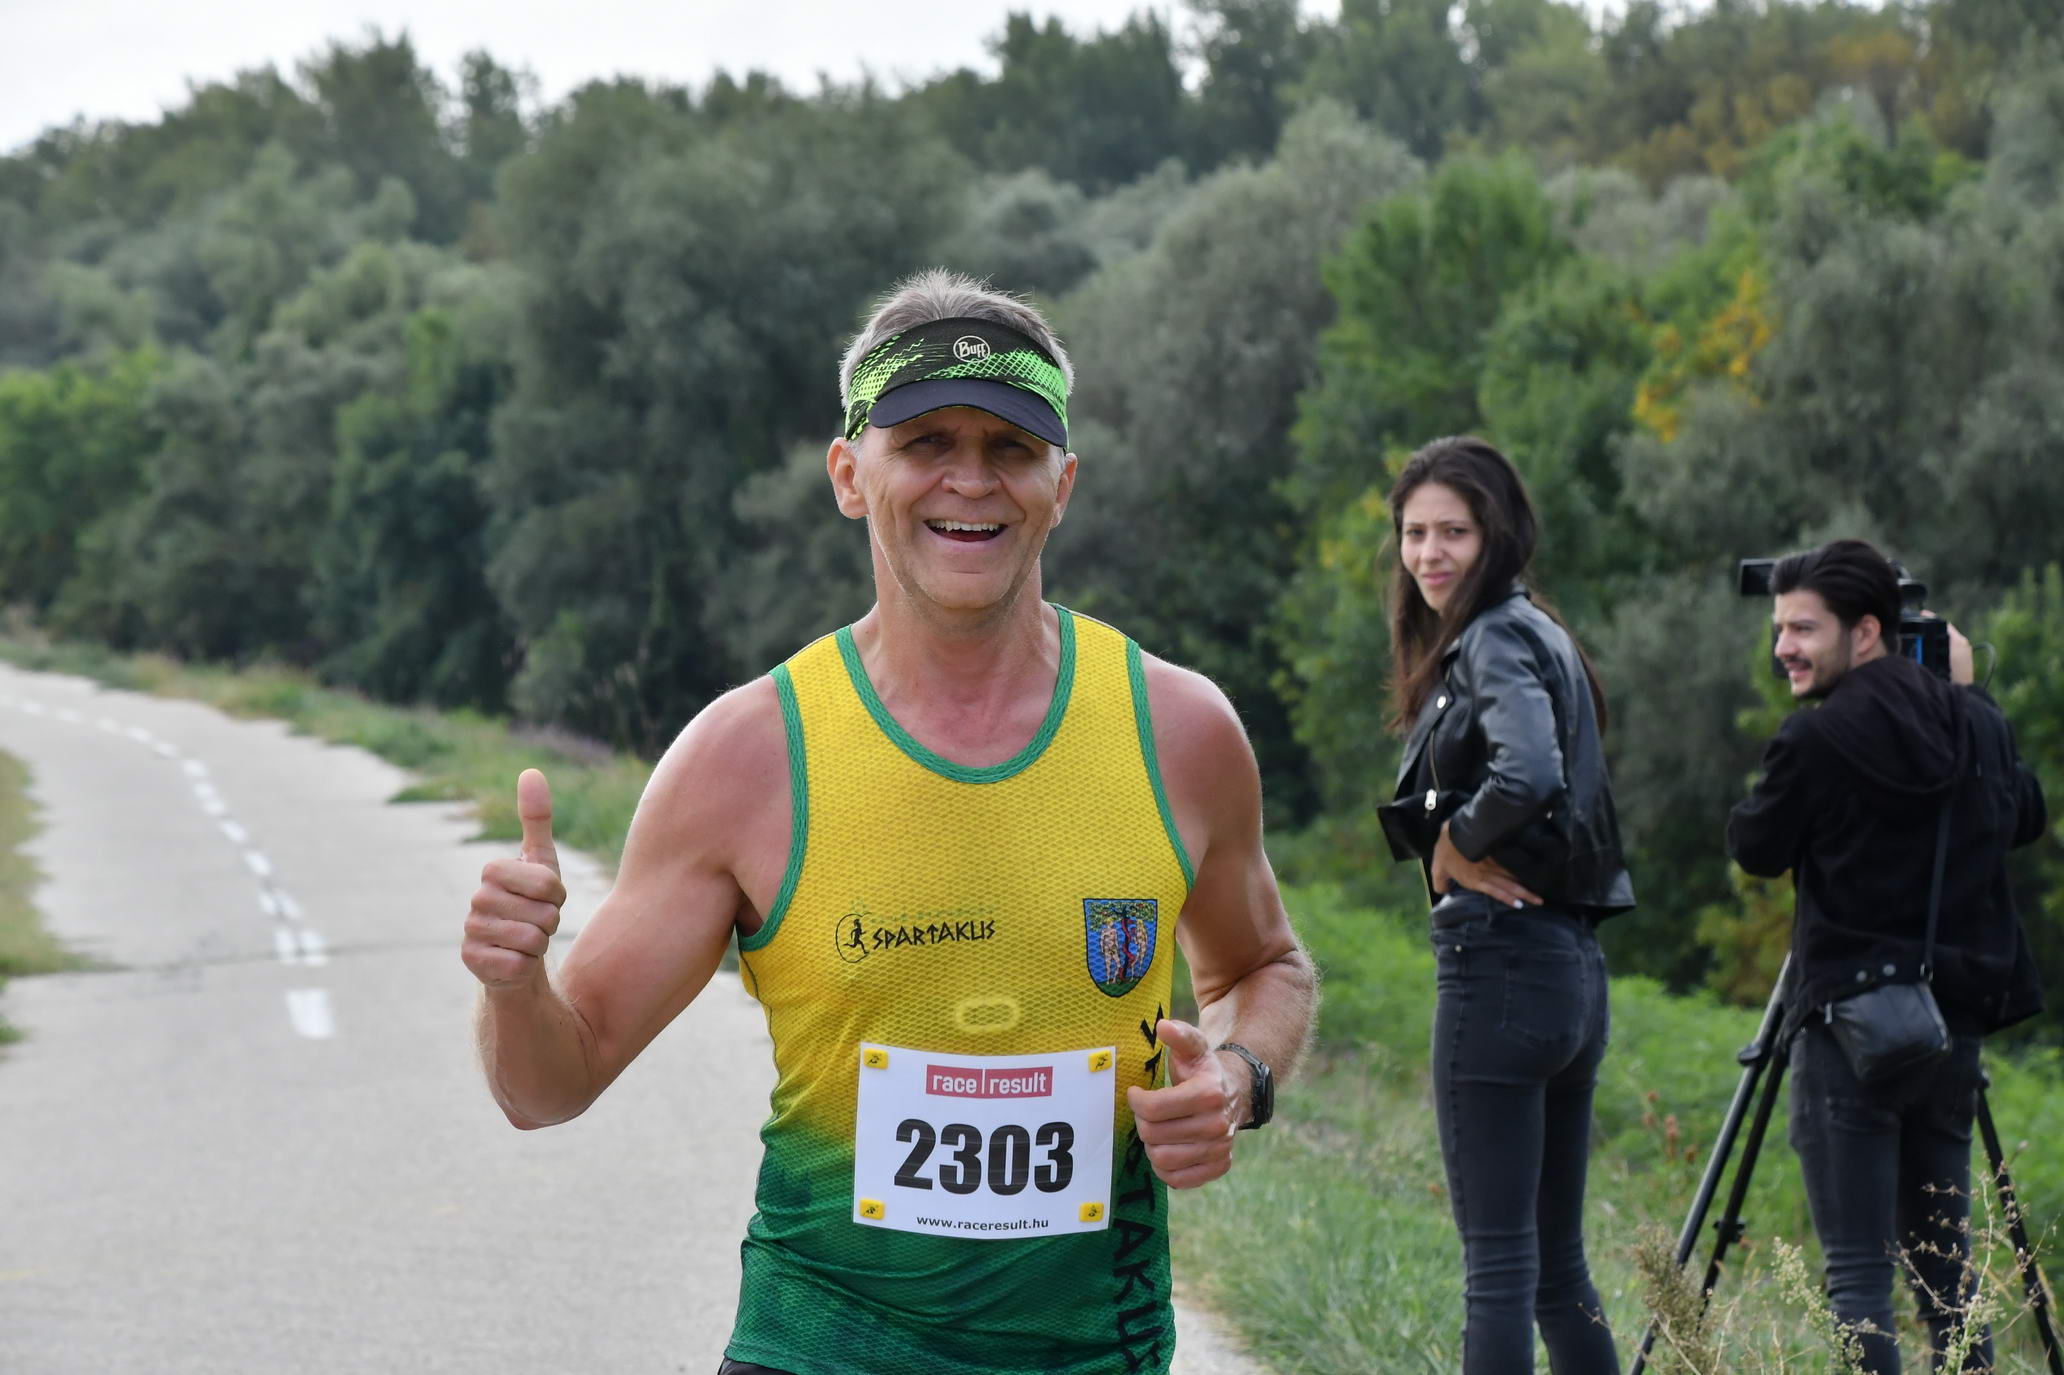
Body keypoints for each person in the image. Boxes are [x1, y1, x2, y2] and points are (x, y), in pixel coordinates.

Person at [461, 268, 1316, 1375]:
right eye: (925, 443)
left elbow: (1265, 965)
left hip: (1093, 1355)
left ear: (1062, 484)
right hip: (816, 1346)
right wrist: (513, 984)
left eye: (1011, 447)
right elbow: (550, 1083)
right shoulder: (746, 759)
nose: (972, 480)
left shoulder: (1180, 731)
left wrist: (1237, 1079)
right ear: (849, 475)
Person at [1728, 539, 2047, 1374]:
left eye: (1803, 628)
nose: (1783, 647)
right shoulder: (1974, 722)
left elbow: (1754, 845)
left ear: (1866, 631)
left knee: (1858, 1274)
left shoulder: (1817, 737)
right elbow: (2025, 816)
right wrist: (1964, 694)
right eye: (1780, 628)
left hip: (1850, 1030)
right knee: (1947, 1275)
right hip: (1950, 1030)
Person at [1373, 436, 1633, 1374]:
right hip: (1571, 972)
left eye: (1454, 531)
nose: (1429, 553)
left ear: (1498, 533)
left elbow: (1530, 773)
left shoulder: (1493, 636)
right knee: (1556, 1269)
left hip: (1501, 967)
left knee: (1498, 1268)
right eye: (1415, 533)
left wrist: (1456, 838)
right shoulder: (1540, 631)